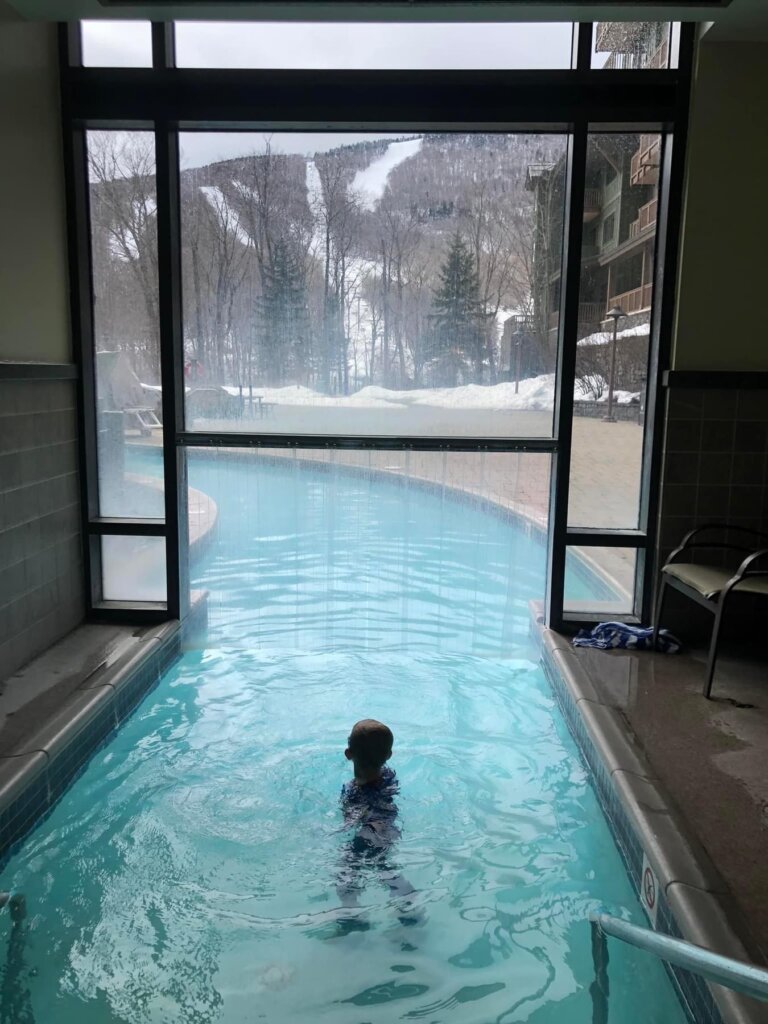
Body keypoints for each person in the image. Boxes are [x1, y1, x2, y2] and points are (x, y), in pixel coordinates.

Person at [335, 720, 421, 932]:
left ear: (348, 754)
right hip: (386, 827)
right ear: (388, 755)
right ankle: (410, 908)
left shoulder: (353, 791)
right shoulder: (388, 776)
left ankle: (353, 918)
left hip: (367, 833)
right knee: (383, 867)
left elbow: (351, 819)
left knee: (346, 874)